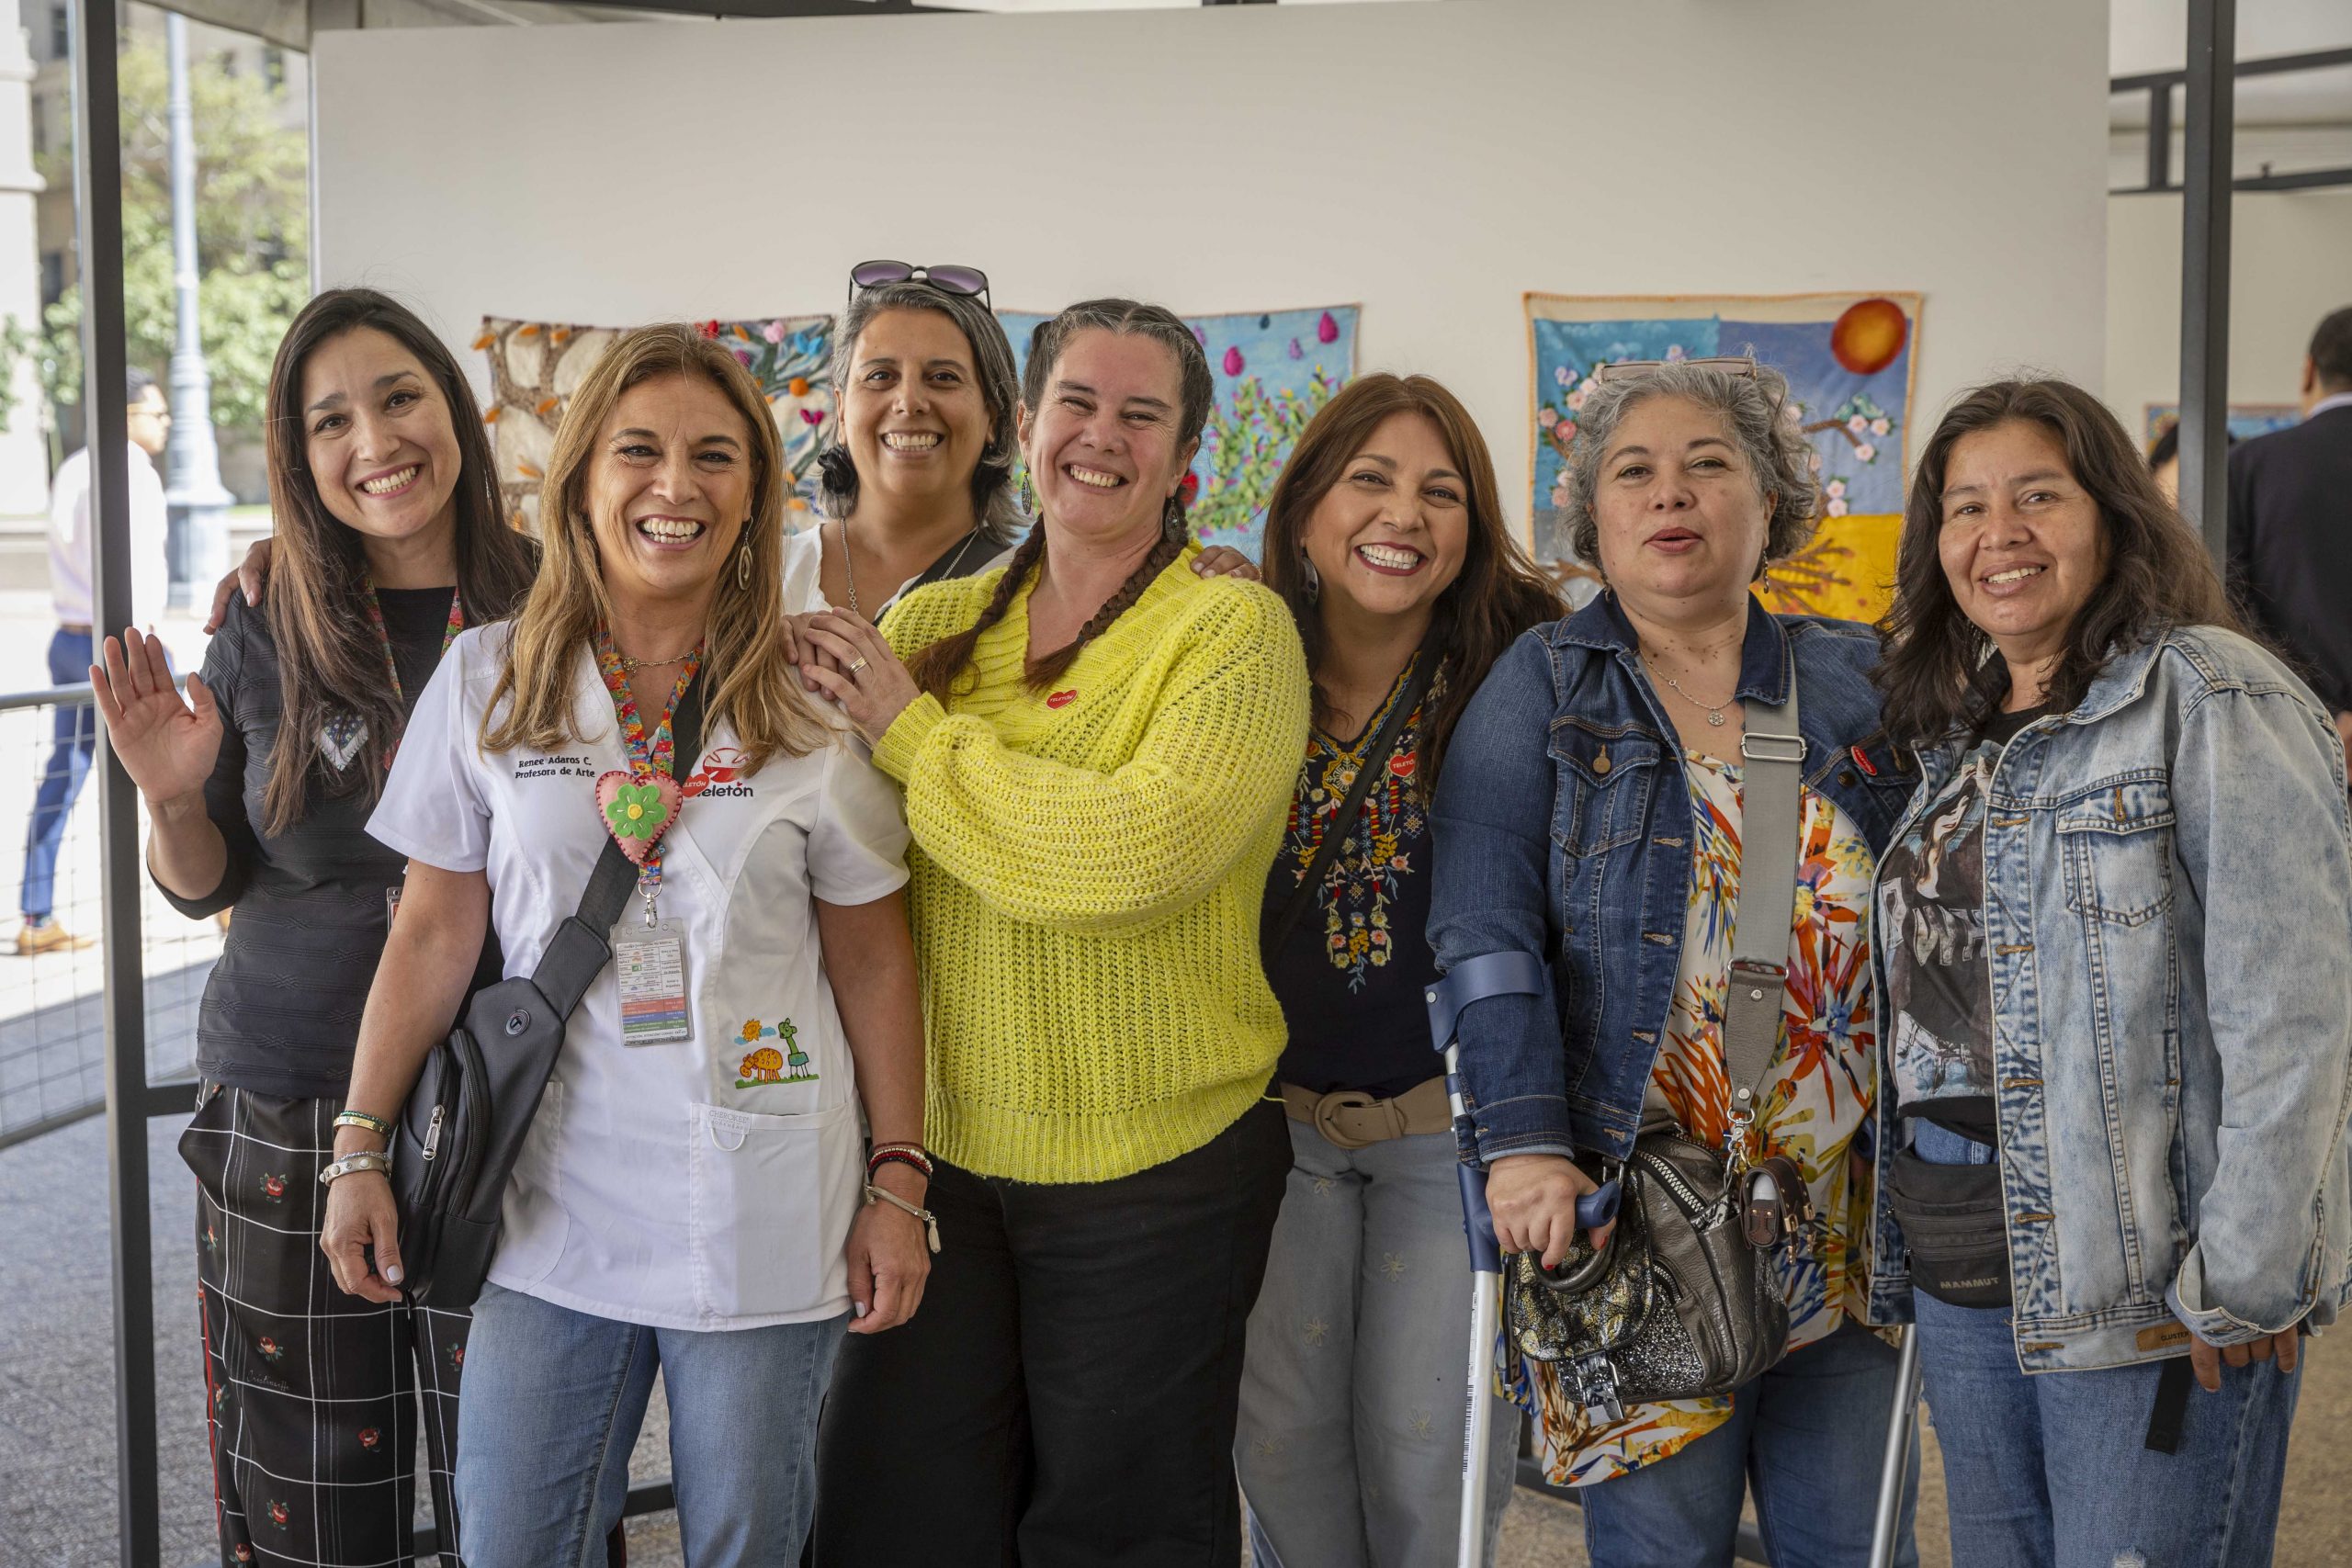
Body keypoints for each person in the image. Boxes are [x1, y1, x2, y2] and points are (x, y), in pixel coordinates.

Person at [319, 323, 930, 1566]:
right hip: (552, 1206)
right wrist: (358, 1144)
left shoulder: (812, 698)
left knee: (751, 1543)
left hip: (763, 1203)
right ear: (585, 476)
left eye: (715, 456)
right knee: (512, 1539)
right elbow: (434, 929)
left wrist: (901, 1179)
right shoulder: (489, 681)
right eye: (639, 450)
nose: (675, 485)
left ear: (755, 490)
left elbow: (872, 949)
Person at [801, 299, 1311, 1568]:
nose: (1103, 435)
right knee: (894, 1511)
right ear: (1024, 426)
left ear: (1185, 452)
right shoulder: (927, 631)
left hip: (1158, 1171)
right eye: (1076, 403)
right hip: (944, 1164)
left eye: (1143, 413)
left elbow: (1129, 854)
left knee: (1116, 1526)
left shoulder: (1230, 631)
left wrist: (914, 741)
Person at [1428, 359, 1923, 1567]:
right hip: (1635, 1212)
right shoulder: (1543, 684)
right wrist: (1525, 1140)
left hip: (1845, 1215)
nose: (1674, 493)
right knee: (1662, 1546)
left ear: (1772, 502)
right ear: (1592, 516)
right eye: (1634, 471)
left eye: (1710, 463)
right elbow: (1484, 932)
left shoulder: (1859, 678)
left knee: (1851, 1544)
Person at [1869, 377, 2351, 1567]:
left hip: (2141, 1266)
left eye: (2040, 493)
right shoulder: (1959, 728)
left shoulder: (2211, 693)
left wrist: (2246, 1270)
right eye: (1967, 506)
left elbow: (2294, 1010)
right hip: (1962, 1248)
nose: (2001, 533)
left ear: (2116, 513)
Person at [87, 290, 536, 1566]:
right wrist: (172, 796)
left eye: (398, 395)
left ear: (453, 404)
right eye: (329, 418)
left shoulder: (559, 607)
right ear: (298, 455)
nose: (373, 440)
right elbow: (204, 877)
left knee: (522, 1478)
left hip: (500, 1100)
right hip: (285, 1096)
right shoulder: (264, 615)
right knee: (308, 1495)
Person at [1232, 373, 1561, 1567]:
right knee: (1279, 1454)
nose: (1404, 514)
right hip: (1268, 1131)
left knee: (1435, 1455)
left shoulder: (1524, 669)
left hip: (1449, 1131)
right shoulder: (1233, 656)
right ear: (1309, 501)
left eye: (1442, 489)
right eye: (1371, 478)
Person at [787, 261, 1257, 624]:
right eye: (880, 375)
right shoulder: (763, 574)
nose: (909, 402)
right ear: (842, 408)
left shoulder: (1044, 599)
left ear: (998, 416)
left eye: (944, 377)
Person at [17, 367, 171, 954]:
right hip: (123, 645)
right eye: (156, 414)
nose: (165, 423)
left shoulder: (74, 466)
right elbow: (132, 567)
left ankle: (36, 914)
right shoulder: (129, 471)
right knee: (178, 764)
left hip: (71, 638)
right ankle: (228, 902)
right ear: (127, 416)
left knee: (65, 771)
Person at [2228, 304, 2352, 769]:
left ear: (2308, 372)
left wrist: (2326, 709)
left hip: (2293, 736)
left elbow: (2230, 603)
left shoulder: (2249, 465)